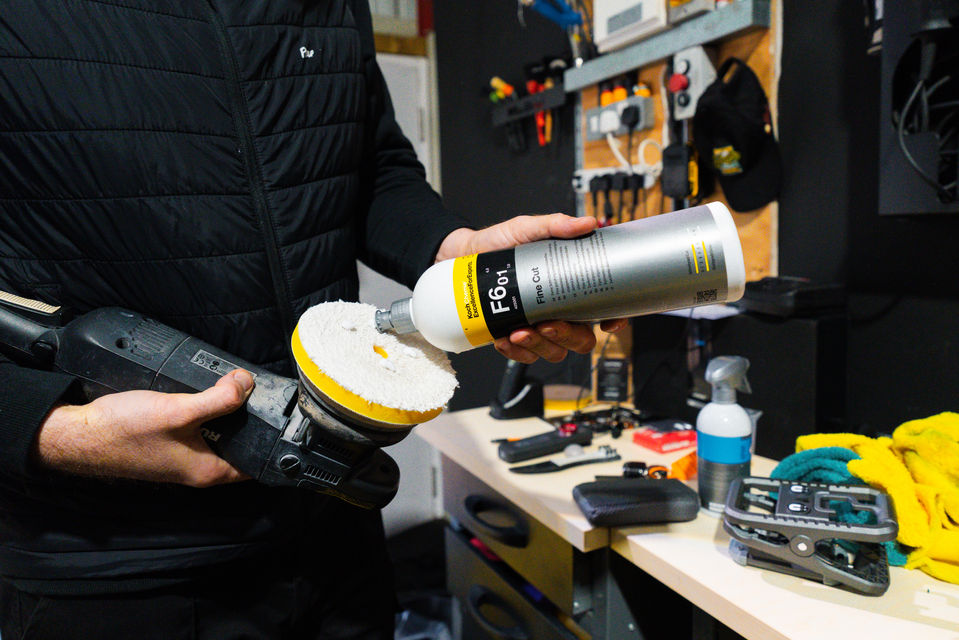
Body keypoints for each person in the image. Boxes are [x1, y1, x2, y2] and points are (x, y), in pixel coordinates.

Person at [0, 1, 625, 638]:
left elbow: (372, 166)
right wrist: (53, 431)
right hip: (109, 566)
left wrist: (448, 250)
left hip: (335, 525)